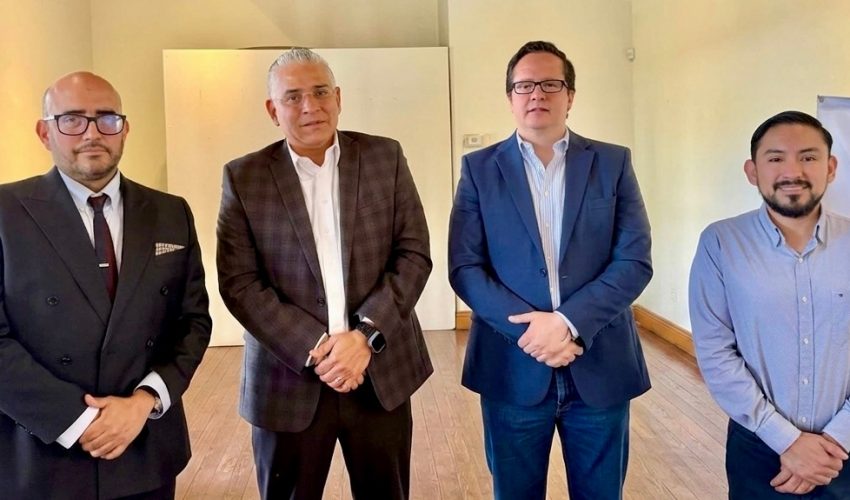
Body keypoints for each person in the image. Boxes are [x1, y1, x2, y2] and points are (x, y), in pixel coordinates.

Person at [216, 48, 432, 500]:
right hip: (287, 382)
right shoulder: (244, 177)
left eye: (319, 92)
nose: (310, 106)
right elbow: (240, 284)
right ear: (272, 110)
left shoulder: (384, 157)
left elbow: (413, 254)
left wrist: (364, 337)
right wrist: (318, 348)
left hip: (380, 375)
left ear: (338, 98)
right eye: (293, 97)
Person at [448, 40, 653, 500]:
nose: (536, 94)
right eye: (524, 86)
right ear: (510, 97)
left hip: (599, 363)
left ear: (570, 95)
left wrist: (567, 323)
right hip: (511, 367)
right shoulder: (479, 169)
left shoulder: (612, 163)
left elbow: (634, 260)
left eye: (550, 84)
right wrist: (533, 333)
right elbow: (465, 266)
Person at [0, 71, 212, 499]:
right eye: (72, 119)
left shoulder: (171, 212)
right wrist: (79, 421)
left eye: (107, 118)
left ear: (125, 129)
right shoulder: (6, 212)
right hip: (41, 452)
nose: (92, 132)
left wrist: (145, 401)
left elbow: (193, 321)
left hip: (146, 446)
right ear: (44, 132)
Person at [689, 110, 850, 498]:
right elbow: (715, 350)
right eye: (775, 158)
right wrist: (787, 440)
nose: (792, 171)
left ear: (830, 168)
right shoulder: (721, 243)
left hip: (843, 448)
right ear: (752, 171)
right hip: (757, 443)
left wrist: (835, 440)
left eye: (808, 157)